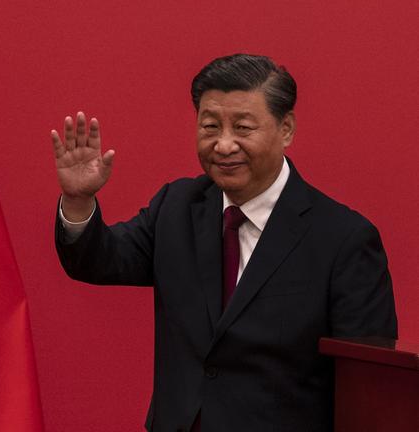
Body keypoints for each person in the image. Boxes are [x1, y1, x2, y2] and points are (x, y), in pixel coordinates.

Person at [50, 54, 397, 432]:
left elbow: (369, 392)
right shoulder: (177, 207)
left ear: (287, 129)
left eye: (243, 128)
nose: (224, 145)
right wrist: (79, 200)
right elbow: (99, 259)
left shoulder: (343, 239)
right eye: (211, 126)